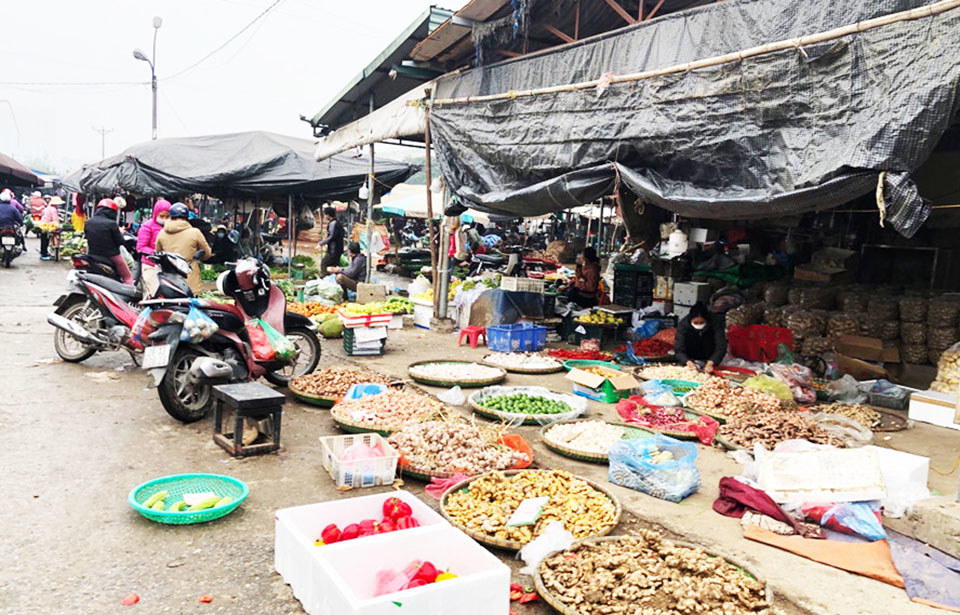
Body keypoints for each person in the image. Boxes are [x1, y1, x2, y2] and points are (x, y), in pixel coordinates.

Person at [155, 202, 211, 293]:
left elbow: (158, 253)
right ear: (187, 218)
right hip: (189, 276)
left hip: (169, 279)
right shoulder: (195, 232)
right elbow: (206, 254)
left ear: (171, 216)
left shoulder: (161, 233)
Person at [84, 198, 134, 284]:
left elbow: (87, 236)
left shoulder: (88, 222)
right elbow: (120, 241)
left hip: (93, 254)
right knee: (127, 277)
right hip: (112, 255)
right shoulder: (111, 224)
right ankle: (129, 288)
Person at [674, 302, 727, 375]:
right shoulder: (683, 325)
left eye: (701, 322)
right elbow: (679, 348)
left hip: (709, 356)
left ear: (707, 320)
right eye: (695, 323)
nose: (698, 325)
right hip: (690, 356)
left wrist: (711, 362)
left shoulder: (715, 324)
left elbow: (721, 346)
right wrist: (687, 361)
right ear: (691, 320)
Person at [136, 199, 172, 298]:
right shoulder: (147, 227)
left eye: (167, 216)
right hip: (150, 265)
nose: (164, 219)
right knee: (153, 294)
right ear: (156, 214)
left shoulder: (171, 227)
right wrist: (155, 253)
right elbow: (140, 247)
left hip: (167, 266)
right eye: (162, 216)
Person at [319, 206, 344, 273]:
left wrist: (322, 243)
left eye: (325, 214)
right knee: (334, 265)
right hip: (339, 248)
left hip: (334, 249)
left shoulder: (333, 223)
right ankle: (335, 279)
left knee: (324, 263)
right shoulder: (338, 222)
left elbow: (331, 236)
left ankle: (324, 278)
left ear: (328, 215)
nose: (325, 216)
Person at [38, 196, 62, 261]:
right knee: (46, 240)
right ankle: (44, 254)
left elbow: (42, 214)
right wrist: (57, 226)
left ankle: (43, 253)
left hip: (43, 225)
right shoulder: (54, 210)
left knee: (43, 240)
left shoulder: (47, 208)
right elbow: (55, 220)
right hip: (48, 226)